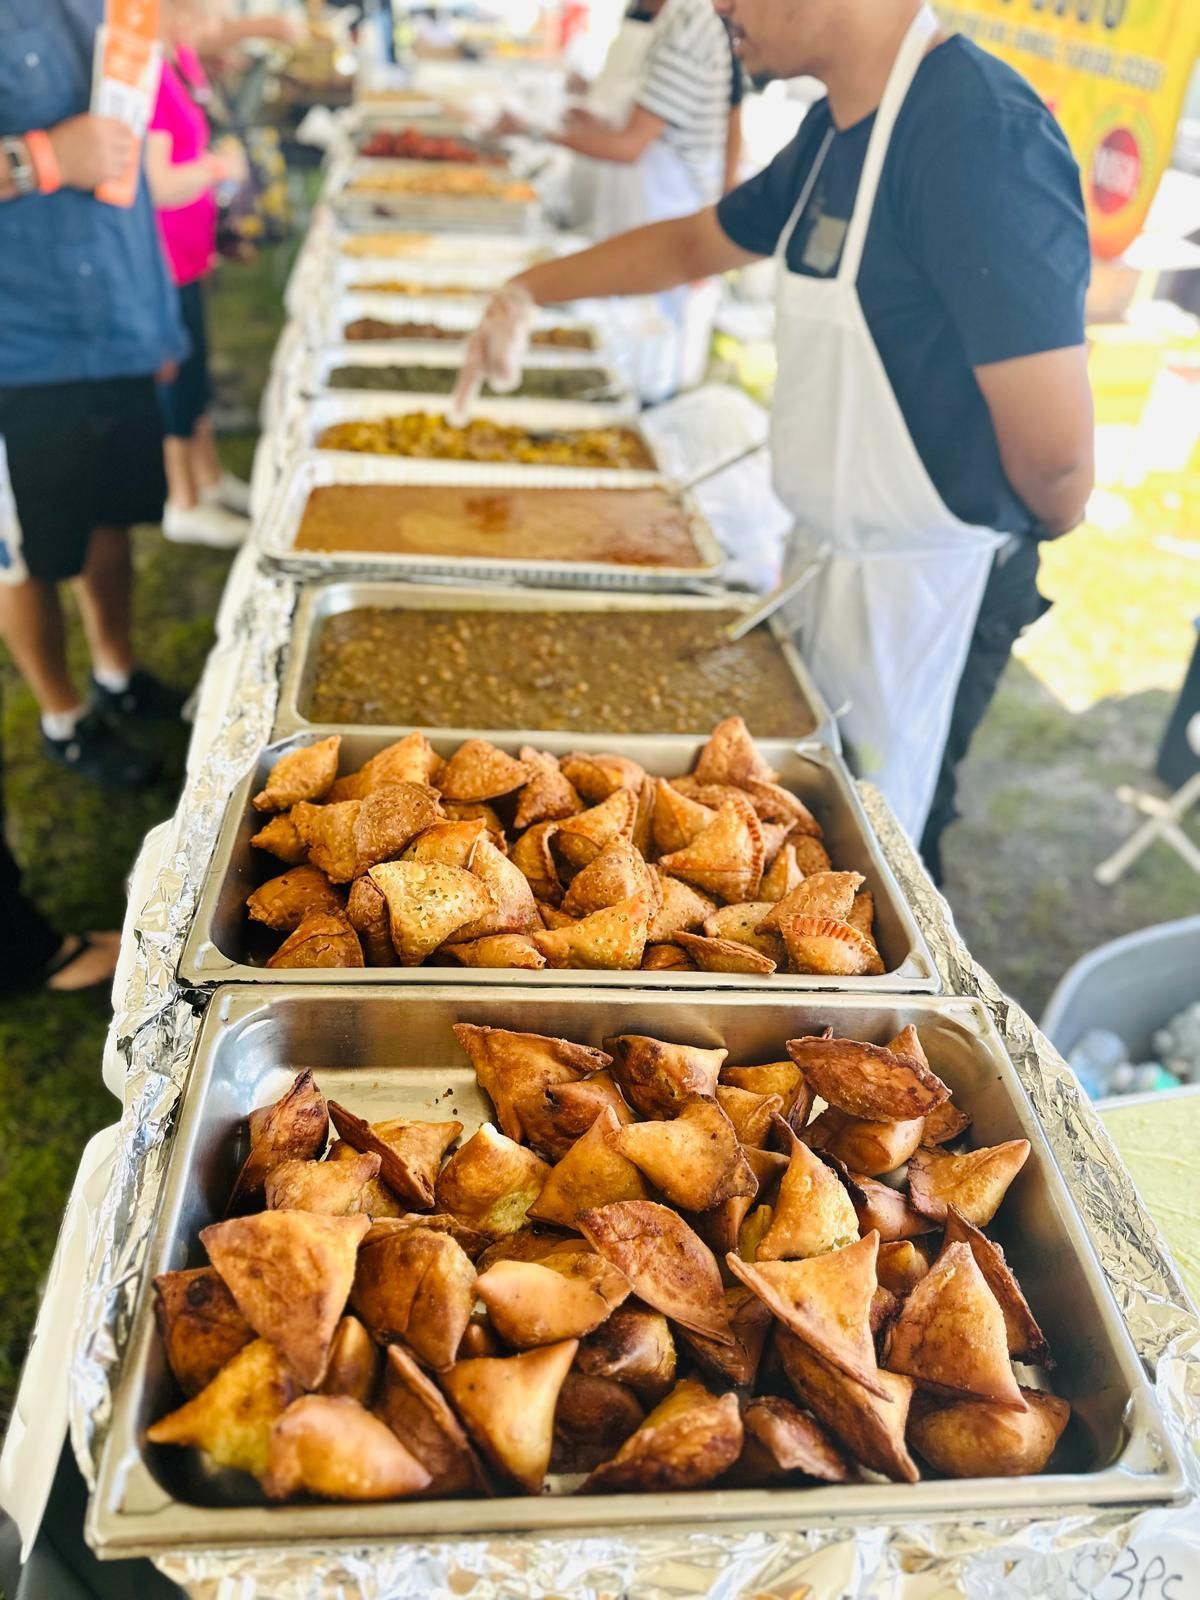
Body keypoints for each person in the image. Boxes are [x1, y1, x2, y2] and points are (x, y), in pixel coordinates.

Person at [453, 0, 1094, 870]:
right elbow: (696, 243)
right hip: (828, 565)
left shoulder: (979, 135)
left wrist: (1008, 535)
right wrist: (529, 288)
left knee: (888, 858)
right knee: (796, 841)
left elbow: (1058, 462)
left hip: (929, 596)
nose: (717, 6)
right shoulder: (837, 129)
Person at [0, 1, 189, 789]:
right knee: (25, 557)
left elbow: (129, 170)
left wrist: (158, 315)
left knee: (112, 518)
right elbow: (72, 154)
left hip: (116, 318)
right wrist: (35, 160)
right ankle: (65, 718)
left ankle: (117, 672)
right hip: (21, 344)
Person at [147, 0, 254, 548]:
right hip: (164, 256)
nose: (213, 28)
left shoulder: (182, 58)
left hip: (192, 250)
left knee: (198, 373)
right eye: (205, 15)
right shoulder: (148, 74)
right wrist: (215, 169)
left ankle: (209, 477)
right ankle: (182, 498)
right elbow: (158, 185)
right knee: (176, 381)